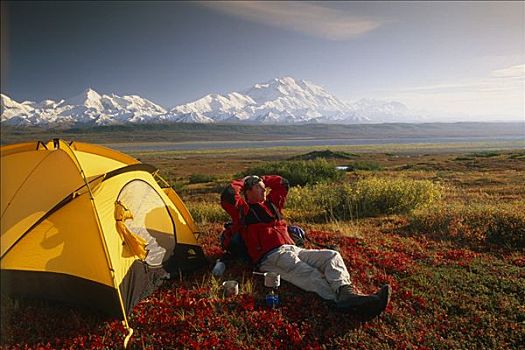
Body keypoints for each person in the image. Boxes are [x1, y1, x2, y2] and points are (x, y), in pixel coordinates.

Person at [220, 174, 391, 319]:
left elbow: (282, 184)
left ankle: (346, 292)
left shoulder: (272, 205)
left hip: (293, 249)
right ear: (248, 192)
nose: (264, 190)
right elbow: (228, 195)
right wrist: (246, 180)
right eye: (259, 188)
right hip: (271, 257)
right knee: (311, 274)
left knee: (331, 256)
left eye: (264, 187)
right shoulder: (243, 211)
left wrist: (261, 179)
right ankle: (341, 303)